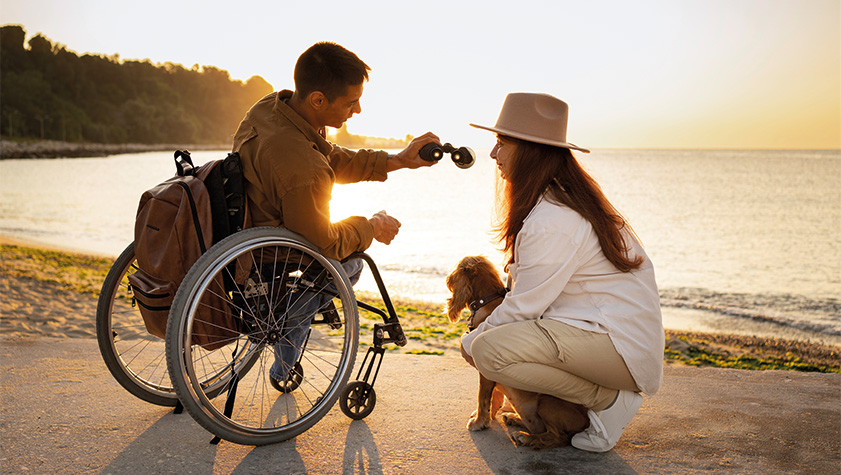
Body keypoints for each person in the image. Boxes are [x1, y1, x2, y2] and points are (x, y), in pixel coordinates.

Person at [460, 92, 664, 452]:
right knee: (489, 345)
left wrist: (469, 343)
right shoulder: (560, 199)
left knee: (486, 350)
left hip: (618, 349)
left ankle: (607, 401)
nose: (493, 154)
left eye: (500, 143)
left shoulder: (553, 217)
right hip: (611, 340)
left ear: (529, 151)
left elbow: (524, 308)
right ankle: (590, 402)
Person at [231, 42, 440, 383]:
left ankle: (298, 310)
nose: (357, 110)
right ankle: (286, 345)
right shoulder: (300, 164)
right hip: (269, 254)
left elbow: (327, 158)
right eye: (350, 102)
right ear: (318, 99)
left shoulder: (271, 108)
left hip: (248, 229)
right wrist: (371, 227)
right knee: (352, 261)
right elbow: (324, 245)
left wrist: (398, 160)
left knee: (341, 247)